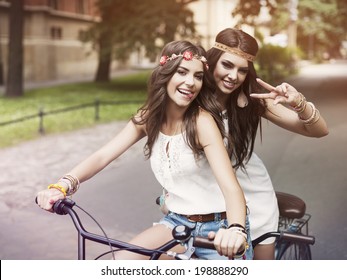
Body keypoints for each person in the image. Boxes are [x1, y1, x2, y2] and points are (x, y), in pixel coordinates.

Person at [36, 40, 253, 260]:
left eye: (198, 76)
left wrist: (236, 230)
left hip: (219, 229)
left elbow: (231, 188)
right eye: (182, 72)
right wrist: (62, 185)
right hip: (176, 223)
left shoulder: (202, 122)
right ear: (165, 73)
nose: (190, 83)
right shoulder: (149, 118)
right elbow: (103, 156)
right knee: (121, 264)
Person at [205, 28, 328, 260]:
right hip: (205, 194)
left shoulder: (254, 100)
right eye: (227, 65)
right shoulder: (191, 96)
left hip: (251, 194)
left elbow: (319, 130)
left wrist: (299, 103)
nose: (234, 76)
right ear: (212, 62)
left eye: (242, 70)